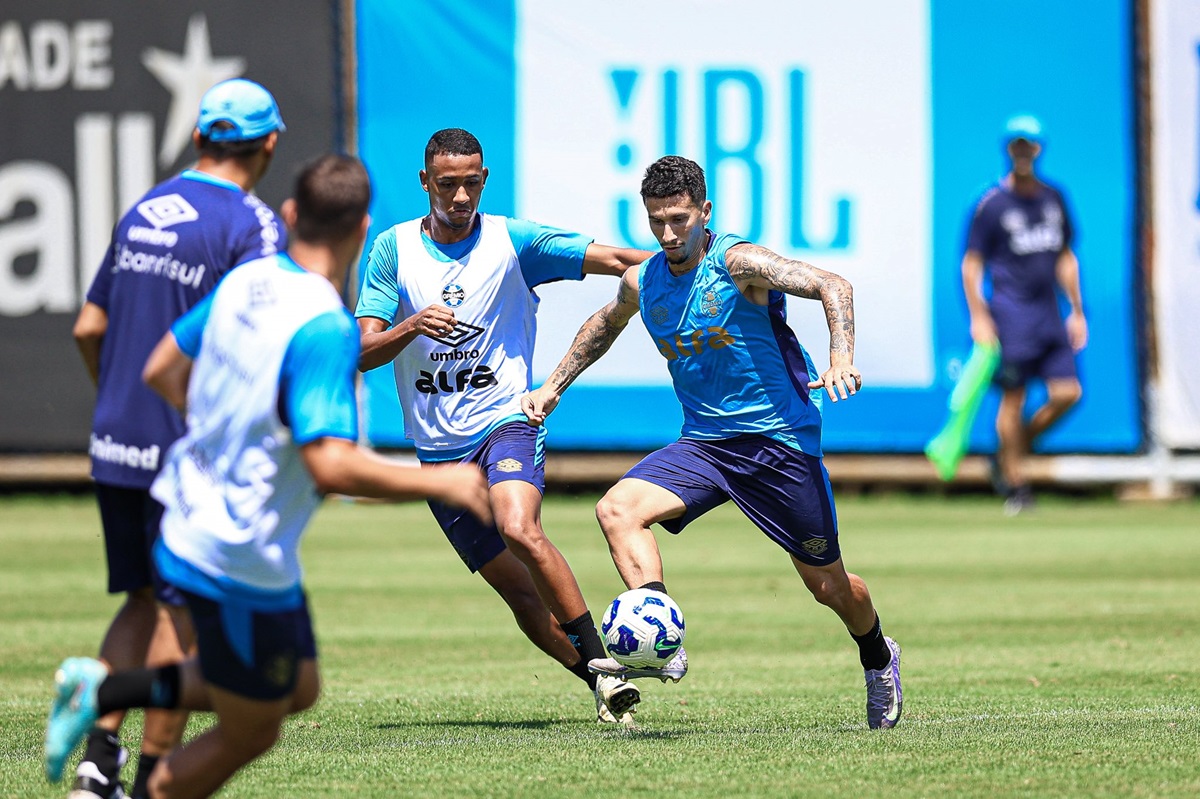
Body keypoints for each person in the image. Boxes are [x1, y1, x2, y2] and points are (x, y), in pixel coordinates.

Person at [45, 154, 493, 799]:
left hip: (192, 518)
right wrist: (442, 482)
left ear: (289, 215)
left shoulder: (245, 280)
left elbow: (162, 370)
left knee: (300, 686)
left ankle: (109, 688)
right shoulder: (325, 327)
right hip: (236, 547)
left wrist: (226, 428)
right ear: (363, 229)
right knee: (254, 728)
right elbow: (329, 464)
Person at [522, 155, 904, 730]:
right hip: (704, 445)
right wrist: (553, 386)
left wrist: (841, 356)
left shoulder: (737, 263)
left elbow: (832, 284)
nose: (670, 234)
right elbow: (606, 321)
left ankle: (877, 654)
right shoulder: (644, 278)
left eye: (680, 219)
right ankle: (660, 630)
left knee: (829, 587)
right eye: (657, 222)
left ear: (705, 212)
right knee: (618, 510)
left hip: (778, 443)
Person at [355, 128, 653, 724]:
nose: (460, 196)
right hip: (439, 455)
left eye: (471, 182)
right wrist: (411, 326)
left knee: (520, 526)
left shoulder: (515, 242)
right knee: (519, 596)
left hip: (507, 421)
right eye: (447, 185)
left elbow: (623, 261)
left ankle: (602, 664)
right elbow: (361, 353)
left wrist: (705, 268)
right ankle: (601, 683)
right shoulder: (392, 250)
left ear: (484, 179)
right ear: (425, 184)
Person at [67, 78, 287, 799]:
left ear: (197, 138)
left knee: (138, 600)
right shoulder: (251, 224)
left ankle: (100, 758)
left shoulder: (143, 209)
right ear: (270, 144)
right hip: (181, 448)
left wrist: (117, 403)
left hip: (115, 436)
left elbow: (88, 327)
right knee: (181, 612)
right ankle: (151, 779)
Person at [961, 115, 1087, 515]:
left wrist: (1077, 311)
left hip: (1049, 313)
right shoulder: (992, 204)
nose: (1022, 152)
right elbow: (971, 264)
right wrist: (979, 316)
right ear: (1007, 150)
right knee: (1012, 400)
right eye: (1016, 145)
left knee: (1068, 393)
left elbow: (1066, 256)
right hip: (1011, 316)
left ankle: (1010, 453)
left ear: (1039, 149)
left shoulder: (1053, 198)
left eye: (1028, 145)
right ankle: (1017, 487)